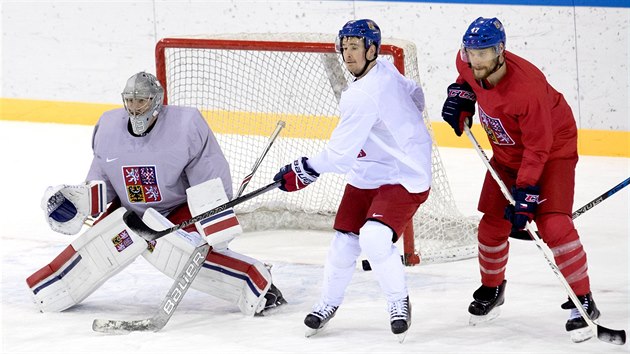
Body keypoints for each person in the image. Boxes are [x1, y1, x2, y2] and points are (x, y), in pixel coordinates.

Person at [27, 71, 285, 317]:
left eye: (142, 100)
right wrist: (75, 203)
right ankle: (51, 289)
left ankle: (257, 284)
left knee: (178, 253)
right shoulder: (107, 127)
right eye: (130, 100)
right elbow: (101, 182)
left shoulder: (186, 125)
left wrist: (215, 225)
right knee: (100, 248)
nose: (135, 107)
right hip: (131, 214)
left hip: (179, 210)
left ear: (157, 101)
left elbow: (209, 176)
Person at [441, 17, 601, 342]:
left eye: (484, 53)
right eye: (471, 53)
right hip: (507, 153)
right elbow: (465, 79)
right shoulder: (468, 62)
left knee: (554, 226)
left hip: (551, 149)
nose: (476, 60)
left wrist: (526, 194)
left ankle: (583, 299)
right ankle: (493, 288)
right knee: (490, 227)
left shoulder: (526, 88)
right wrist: (461, 95)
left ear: (501, 51)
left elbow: (539, 148)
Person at [274, 19, 432, 341]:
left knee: (373, 238)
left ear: (372, 50)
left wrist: (302, 170)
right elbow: (416, 95)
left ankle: (398, 302)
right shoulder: (385, 70)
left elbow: (339, 156)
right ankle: (327, 304)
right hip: (369, 171)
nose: (347, 54)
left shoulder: (363, 94)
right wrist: (396, 132)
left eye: (355, 47)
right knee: (344, 243)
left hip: (404, 174)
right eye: (344, 47)